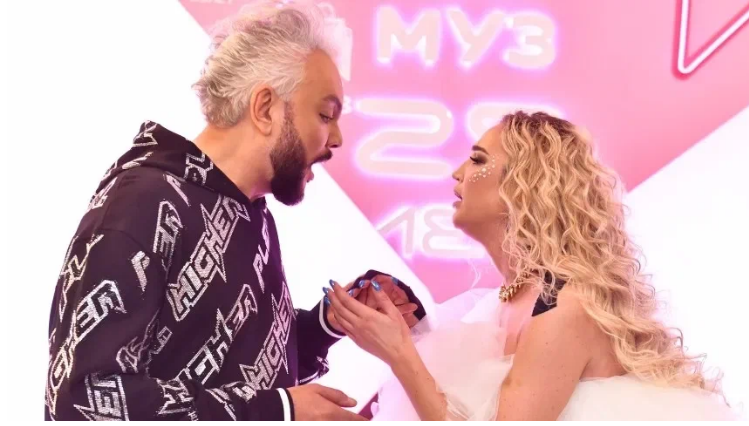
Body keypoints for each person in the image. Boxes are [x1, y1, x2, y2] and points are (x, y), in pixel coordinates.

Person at [44, 1, 423, 421]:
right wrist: (280, 410)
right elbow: (82, 401)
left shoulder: (250, 212)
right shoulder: (142, 204)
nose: (336, 138)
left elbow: (237, 368)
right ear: (264, 108)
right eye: (324, 114)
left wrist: (327, 322)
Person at [327, 111, 741, 421]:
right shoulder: (503, 301)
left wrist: (399, 353)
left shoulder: (565, 302)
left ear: (525, 183)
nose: (458, 173)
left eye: (477, 160)